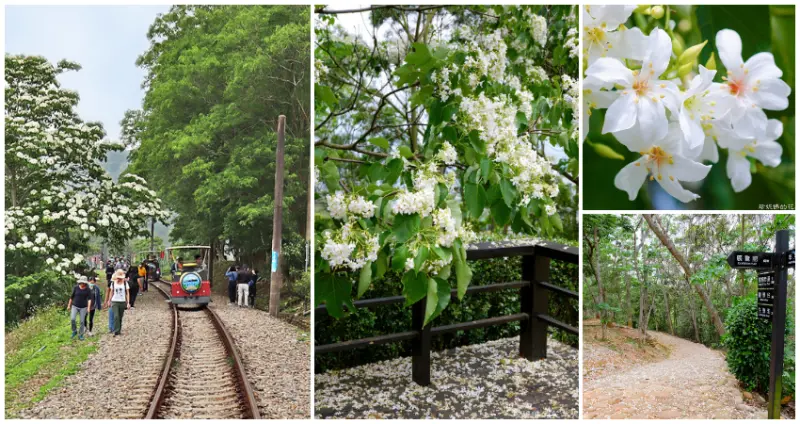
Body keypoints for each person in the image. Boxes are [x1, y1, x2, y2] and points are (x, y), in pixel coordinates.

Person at [67, 276, 93, 340]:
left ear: (85, 283)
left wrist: (88, 308)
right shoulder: (76, 288)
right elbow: (71, 297)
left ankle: (81, 335)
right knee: (72, 319)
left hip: (83, 307)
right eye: (81, 282)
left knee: (82, 322)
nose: (82, 283)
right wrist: (69, 305)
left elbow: (89, 299)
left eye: (83, 282)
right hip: (75, 306)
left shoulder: (88, 289)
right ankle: (74, 331)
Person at [106, 269, 130, 336]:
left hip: (122, 301)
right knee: (116, 316)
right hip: (114, 301)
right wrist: (109, 300)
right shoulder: (113, 283)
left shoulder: (125, 283)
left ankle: (119, 330)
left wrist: (128, 302)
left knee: (120, 317)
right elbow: (111, 292)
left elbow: (127, 293)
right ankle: (116, 331)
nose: (119, 278)